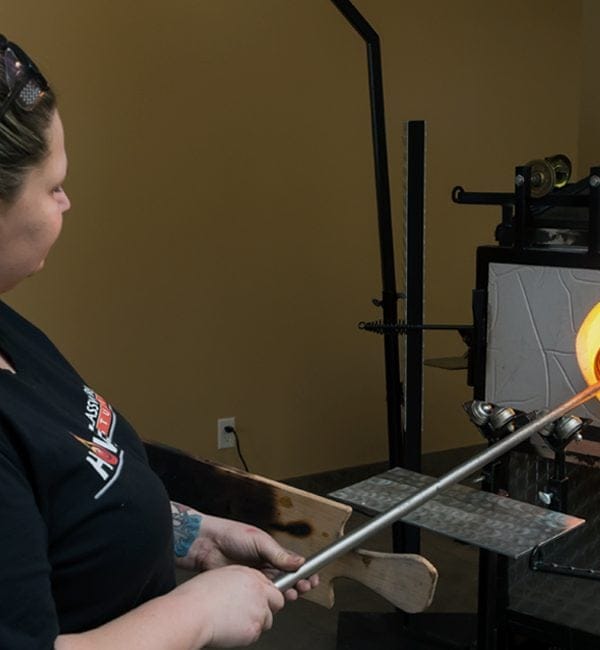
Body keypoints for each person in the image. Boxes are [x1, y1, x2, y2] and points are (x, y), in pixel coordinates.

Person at [0, 34, 317, 649]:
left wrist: (188, 533)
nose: (67, 201)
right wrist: (197, 615)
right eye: (52, 186)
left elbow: (61, 494)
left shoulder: (12, 331)